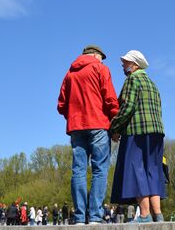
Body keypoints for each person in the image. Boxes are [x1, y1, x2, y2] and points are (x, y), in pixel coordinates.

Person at [57, 44, 120, 225]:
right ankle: (94, 216)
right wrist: (115, 120)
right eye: (100, 57)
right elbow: (110, 99)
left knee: (78, 170)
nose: (101, 60)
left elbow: (61, 104)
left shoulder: (70, 74)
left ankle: (78, 217)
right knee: (100, 169)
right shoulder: (100, 68)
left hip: (76, 127)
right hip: (98, 124)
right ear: (95, 55)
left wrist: (73, 116)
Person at [110, 50, 166, 223]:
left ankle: (144, 215)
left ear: (134, 65)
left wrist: (115, 127)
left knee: (137, 169)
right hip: (157, 131)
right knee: (153, 170)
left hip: (137, 130)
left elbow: (127, 107)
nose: (123, 65)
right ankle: (158, 214)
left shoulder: (132, 80)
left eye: (125, 62)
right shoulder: (153, 84)